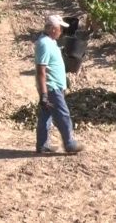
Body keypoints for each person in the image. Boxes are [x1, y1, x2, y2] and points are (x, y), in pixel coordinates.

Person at [34, 14, 84, 154]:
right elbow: (41, 71)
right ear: (52, 29)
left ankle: (42, 145)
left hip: (55, 86)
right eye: (60, 28)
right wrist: (44, 93)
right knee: (63, 114)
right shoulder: (44, 44)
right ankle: (69, 143)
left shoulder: (51, 42)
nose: (61, 31)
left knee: (46, 115)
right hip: (51, 87)